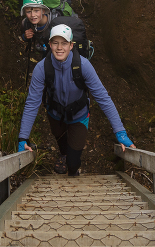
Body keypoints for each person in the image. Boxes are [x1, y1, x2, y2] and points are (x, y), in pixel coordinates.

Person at [17, 24, 135, 176]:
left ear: (71, 45)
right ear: (50, 45)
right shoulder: (42, 68)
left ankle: (73, 171)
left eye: (64, 43)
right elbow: (32, 102)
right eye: (55, 43)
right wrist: (23, 138)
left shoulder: (83, 66)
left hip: (79, 115)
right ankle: (63, 154)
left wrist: (120, 132)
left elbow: (103, 98)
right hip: (55, 114)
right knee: (61, 142)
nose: (60, 48)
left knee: (73, 162)